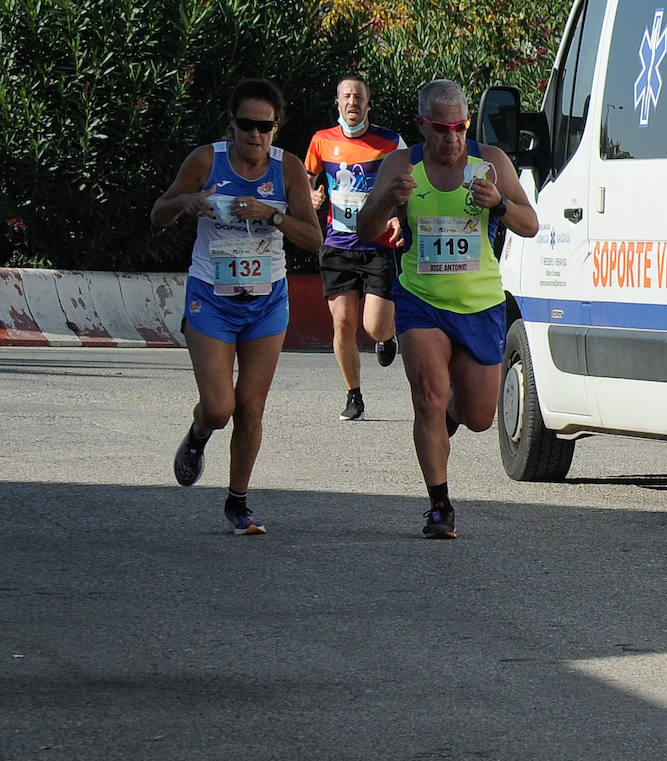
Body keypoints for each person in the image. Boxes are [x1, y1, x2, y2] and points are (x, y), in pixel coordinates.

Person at [355, 80, 538, 538]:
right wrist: (387, 200)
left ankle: (450, 417)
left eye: (459, 127)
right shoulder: (401, 165)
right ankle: (439, 506)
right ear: (423, 126)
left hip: (480, 304)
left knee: (479, 416)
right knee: (428, 399)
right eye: (441, 128)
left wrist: (499, 204)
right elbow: (364, 229)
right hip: (421, 300)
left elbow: (531, 224)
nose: (452, 138)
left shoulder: (490, 163)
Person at [151, 78, 323, 534]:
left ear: (276, 128)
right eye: (247, 125)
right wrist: (185, 202)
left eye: (265, 127)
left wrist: (273, 215)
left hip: (267, 301)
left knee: (250, 407)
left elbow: (314, 238)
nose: (256, 135)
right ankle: (198, 434)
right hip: (211, 296)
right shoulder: (206, 160)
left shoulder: (288, 169)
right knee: (219, 406)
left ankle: (238, 502)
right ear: (232, 124)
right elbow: (157, 213)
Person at [304, 76, 406, 421]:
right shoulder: (321, 140)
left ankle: (386, 338)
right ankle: (354, 395)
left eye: (359, 96)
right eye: (346, 96)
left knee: (375, 326)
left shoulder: (391, 142)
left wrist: (399, 216)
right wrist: (311, 196)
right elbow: (306, 180)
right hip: (338, 245)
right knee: (343, 324)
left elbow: (410, 183)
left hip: (377, 245)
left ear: (368, 103)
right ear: (337, 103)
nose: (352, 102)